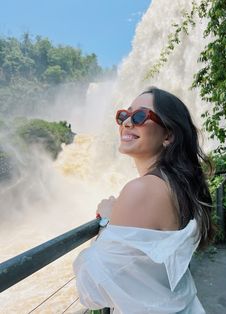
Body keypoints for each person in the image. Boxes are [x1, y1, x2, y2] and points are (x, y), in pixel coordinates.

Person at [73, 87, 214, 313]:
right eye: (123, 115)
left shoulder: (141, 190)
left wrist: (107, 221)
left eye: (140, 116)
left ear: (168, 135)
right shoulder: (180, 185)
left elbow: (92, 290)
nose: (127, 123)